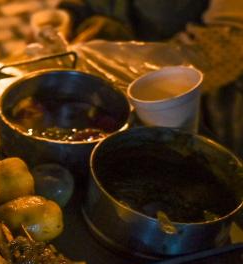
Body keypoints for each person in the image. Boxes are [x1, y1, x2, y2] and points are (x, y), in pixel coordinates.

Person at [57, 0, 243, 155]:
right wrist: (69, 16)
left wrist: (107, 59)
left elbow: (228, 46)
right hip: (114, 96)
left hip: (199, 107)